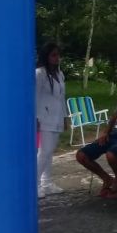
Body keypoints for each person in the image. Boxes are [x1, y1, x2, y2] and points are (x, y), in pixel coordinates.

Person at [76, 75, 117, 198]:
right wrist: (106, 132)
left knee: (111, 154)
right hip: (115, 133)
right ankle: (106, 178)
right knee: (81, 155)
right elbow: (114, 116)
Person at [35, 42, 66, 198]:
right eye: (53, 55)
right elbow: (34, 97)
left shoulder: (59, 74)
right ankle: (34, 184)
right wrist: (35, 118)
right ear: (46, 56)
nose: (57, 58)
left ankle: (46, 183)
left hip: (57, 117)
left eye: (58, 55)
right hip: (43, 117)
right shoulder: (39, 74)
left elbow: (62, 97)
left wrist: (65, 117)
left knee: (49, 152)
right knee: (44, 152)